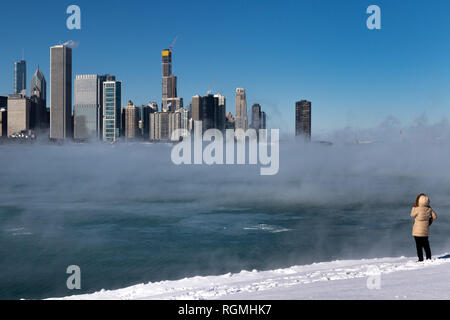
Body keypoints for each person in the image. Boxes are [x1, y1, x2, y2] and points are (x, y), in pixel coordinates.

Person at [411, 194, 437, 261]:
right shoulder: (429, 209)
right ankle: (428, 258)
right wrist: (429, 220)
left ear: (419, 201)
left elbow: (412, 215)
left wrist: (414, 207)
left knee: (418, 246)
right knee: (426, 245)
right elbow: (435, 217)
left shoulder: (417, 209)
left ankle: (420, 259)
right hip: (425, 230)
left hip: (417, 231)